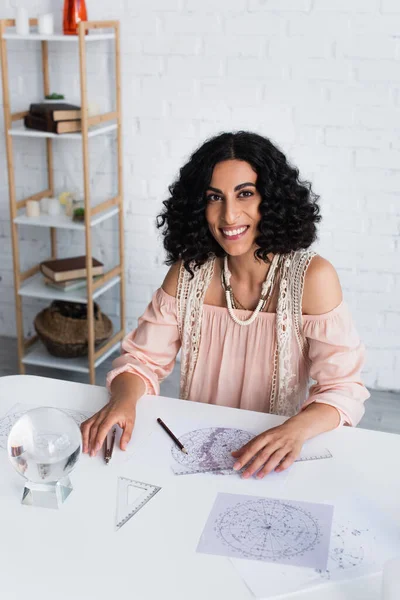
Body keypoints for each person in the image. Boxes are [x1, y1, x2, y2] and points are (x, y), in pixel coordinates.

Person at [81, 131, 369, 478]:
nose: (229, 215)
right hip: (194, 446)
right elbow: (141, 361)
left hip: (274, 453)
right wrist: (123, 401)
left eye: (245, 193)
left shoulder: (311, 279)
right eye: (214, 198)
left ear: (272, 199)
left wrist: (296, 429)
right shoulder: (187, 274)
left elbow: (342, 388)